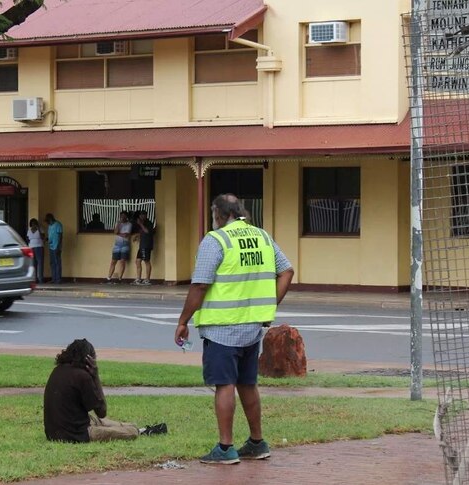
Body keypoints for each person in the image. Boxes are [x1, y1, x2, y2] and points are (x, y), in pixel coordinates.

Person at [174, 194, 294, 465]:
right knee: (247, 383)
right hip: (252, 326)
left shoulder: (215, 240)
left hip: (222, 328)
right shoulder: (262, 237)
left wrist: (183, 320)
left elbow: (200, 285)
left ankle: (225, 447)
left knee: (224, 384)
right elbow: (286, 271)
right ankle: (256, 442)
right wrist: (269, 307)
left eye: (213, 212)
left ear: (218, 212)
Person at [43, 339, 167, 443]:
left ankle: (132, 426)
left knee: (99, 422)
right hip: (76, 434)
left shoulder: (58, 370)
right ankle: (137, 430)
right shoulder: (82, 376)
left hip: (53, 432)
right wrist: (95, 376)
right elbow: (102, 411)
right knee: (131, 432)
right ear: (89, 359)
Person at [103, 211, 132, 284]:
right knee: (113, 261)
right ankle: (108, 277)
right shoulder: (118, 223)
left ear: (126, 217)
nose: (122, 217)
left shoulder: (129, 224)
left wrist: (118, 233)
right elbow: (115, 232)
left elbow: (126, 235)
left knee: (122, 261)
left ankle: (119, 278)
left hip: (125, 244)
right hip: (117, 245)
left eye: (124, 216)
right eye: (121, 216)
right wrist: (118, 225)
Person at [132, 211, 155, 286]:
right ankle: (138, 278)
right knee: (138, 261)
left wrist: (141, 224)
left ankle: (147, 279)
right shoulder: (142, 224)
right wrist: (137, 236)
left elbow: (147, 231)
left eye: (143, 215)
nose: (141, 217)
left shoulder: (149, 223)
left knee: (146, 261)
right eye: (140, 215)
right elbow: (142, 232)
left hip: (146, 245)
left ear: (145, 215)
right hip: (141, 245)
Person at [45, 213, 63, 284]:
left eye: (48, 221)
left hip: (56, 246)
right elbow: (50, 235)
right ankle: (53, 278)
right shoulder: (49, 226)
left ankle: (58, 279)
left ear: (50, 219)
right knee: (52, 263)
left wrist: (59, 247)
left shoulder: (58, 225)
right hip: (51, 246)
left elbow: (60, 236)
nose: (47, 223)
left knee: (57, 263)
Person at [27, 218, 45, 284]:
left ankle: (40, 278)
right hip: (31, 247)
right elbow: (28, 239)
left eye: (35, 224)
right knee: (33, 263)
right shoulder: (29, 230)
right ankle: (34, 279)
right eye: (32, 224)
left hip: (39, 247)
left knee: (40, 263)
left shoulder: (40, 229)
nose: (33, 225)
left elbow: (43, 237)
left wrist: (39, 229)